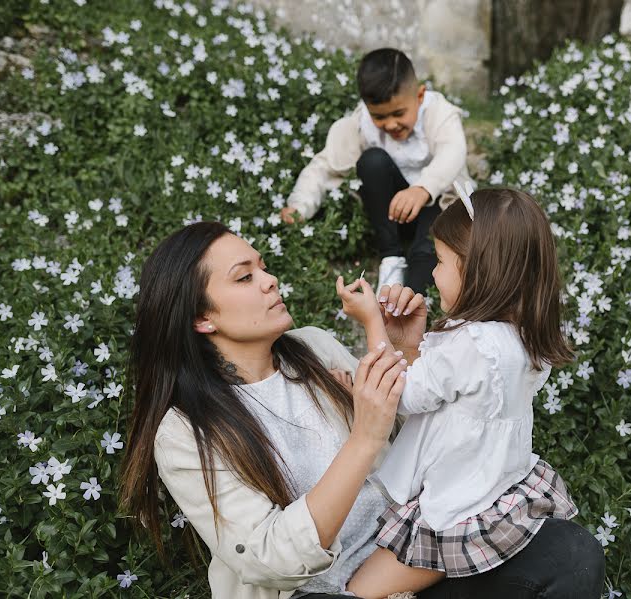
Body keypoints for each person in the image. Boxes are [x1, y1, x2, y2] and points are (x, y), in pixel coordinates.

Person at [120, 221, 604, 599]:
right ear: (201, 317)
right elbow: (270, 558)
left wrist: (407, 350)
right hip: (317, 592)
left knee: (570, 553)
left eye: (262, 266)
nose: (270, 281)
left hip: (408, 560)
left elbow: (419, 439)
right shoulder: (185, 432)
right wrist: (363, 439)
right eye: (245, 277)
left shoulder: (313, 347)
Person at [337, 186, 599, 599]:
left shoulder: (473, 345)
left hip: (451, 511)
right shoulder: (526, 338)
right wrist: (411, 346)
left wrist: (373, 324)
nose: (434, 273)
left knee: (356, 591)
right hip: (495, 496)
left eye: (440, 261)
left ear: (479, 271)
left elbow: (398, 397)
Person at [282, 48, 474, 295]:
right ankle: (391, 256)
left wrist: (423, 189)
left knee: (425, 253)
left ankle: (414, 288)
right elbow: (324, 166)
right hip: (391, 215)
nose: (390, 124)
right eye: (379, 117)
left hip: (436, 206)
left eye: (398, 113)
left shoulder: (439, 113)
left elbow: (454, 152)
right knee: (372, 162)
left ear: (419, 95)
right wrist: (299, 206)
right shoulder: (360, 125)